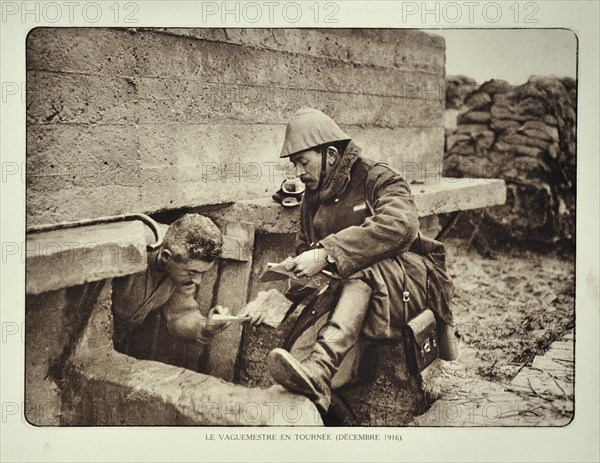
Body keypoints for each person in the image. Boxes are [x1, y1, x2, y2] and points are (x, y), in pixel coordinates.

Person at [267, 107, 456, 413]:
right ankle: (327, 412)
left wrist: (328, 252)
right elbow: (307, 250)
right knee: (294, 361)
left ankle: (323, 364)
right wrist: (288, 281)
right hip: (347, 292)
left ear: (330, 154)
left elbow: (401, 226)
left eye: (303, 161)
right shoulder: (311, 196)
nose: (298, 172)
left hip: (404, 283)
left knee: (362, 267)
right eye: (294, 164)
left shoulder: (378, 177)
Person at [112, 213, 234, 351]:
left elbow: (180, 314)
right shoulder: (129, 246)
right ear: (165, 257)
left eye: (202, 273)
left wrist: (205, 327)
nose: (198, 281)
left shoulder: (179, 262)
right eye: (191, 272)